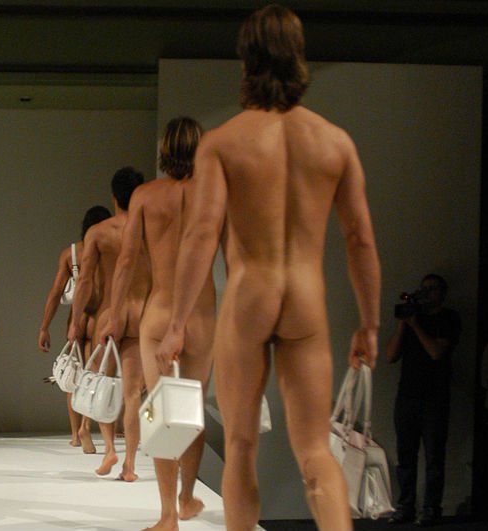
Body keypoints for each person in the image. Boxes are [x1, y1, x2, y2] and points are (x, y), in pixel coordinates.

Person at [157, 5, 381, 531]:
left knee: (241, 446)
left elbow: (201, 235)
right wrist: (370, 324)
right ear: (298, 57)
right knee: (315, 451)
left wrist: (176, 323)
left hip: (249, 295)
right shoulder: (334, 142)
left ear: (247, 61)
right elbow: (360, 239)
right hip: (304, 298)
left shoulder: (224, 142)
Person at [99, 116, 215, 530]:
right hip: (202, 316)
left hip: (159, 313)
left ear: (164, 149)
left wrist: (114, 313)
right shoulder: (213, 194)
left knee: (161, 411)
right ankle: (186, 497)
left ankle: (167, 514)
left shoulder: (146, 196)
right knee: (191, 412)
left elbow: (127, 261)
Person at [68, 166, 148, 480]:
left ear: (113, 196)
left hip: (108, 315)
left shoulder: (99, 233)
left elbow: (85, 281)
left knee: (101, 381)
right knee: (131, 393)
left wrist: (76, 321)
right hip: (141, 313)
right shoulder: (149, 230)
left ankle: (110, 448)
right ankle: (130, 464)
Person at [386, 274, 461, 527]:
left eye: (432, 288)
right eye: (424, 288)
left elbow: (436, 352)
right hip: (407, 396)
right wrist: (403, 324)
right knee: (405, 456)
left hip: (434, 398)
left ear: (443, 292)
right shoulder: (411, 320)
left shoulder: (449, 318)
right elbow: (390, 356)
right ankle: (405, 507)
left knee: (434, 457)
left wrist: (416, 326)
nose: (427, 293)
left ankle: (431, 508)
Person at [38, 205, 112, 452]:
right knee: (95, 375)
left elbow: (55, 292)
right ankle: (87, 426)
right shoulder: (110, 250)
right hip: (101, 316)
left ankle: (75, 434)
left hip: (76, 318)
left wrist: (44, 327)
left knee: (73, 373)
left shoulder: (71, 254)